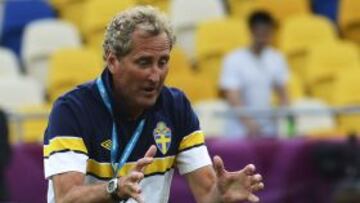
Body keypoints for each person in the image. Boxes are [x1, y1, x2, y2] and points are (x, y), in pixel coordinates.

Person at [43, 6, 264, 203]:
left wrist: (221, 195)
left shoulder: (177, 107)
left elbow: (207, 195)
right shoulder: (71, 110)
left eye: (163, 62)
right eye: (144, 62)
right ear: (112, 62)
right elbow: (67, 198)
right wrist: (115, 188)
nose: (155, 76)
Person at [219, 11, 289, 138]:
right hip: (238, 132)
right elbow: (232, 96)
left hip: (268, 130)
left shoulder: (277, 58)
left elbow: (283, 94)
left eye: (267, 31)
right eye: (260, 30)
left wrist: (280, 119)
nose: (263, 35)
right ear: (251, 30)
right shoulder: (233, 59)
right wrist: (249, 124)